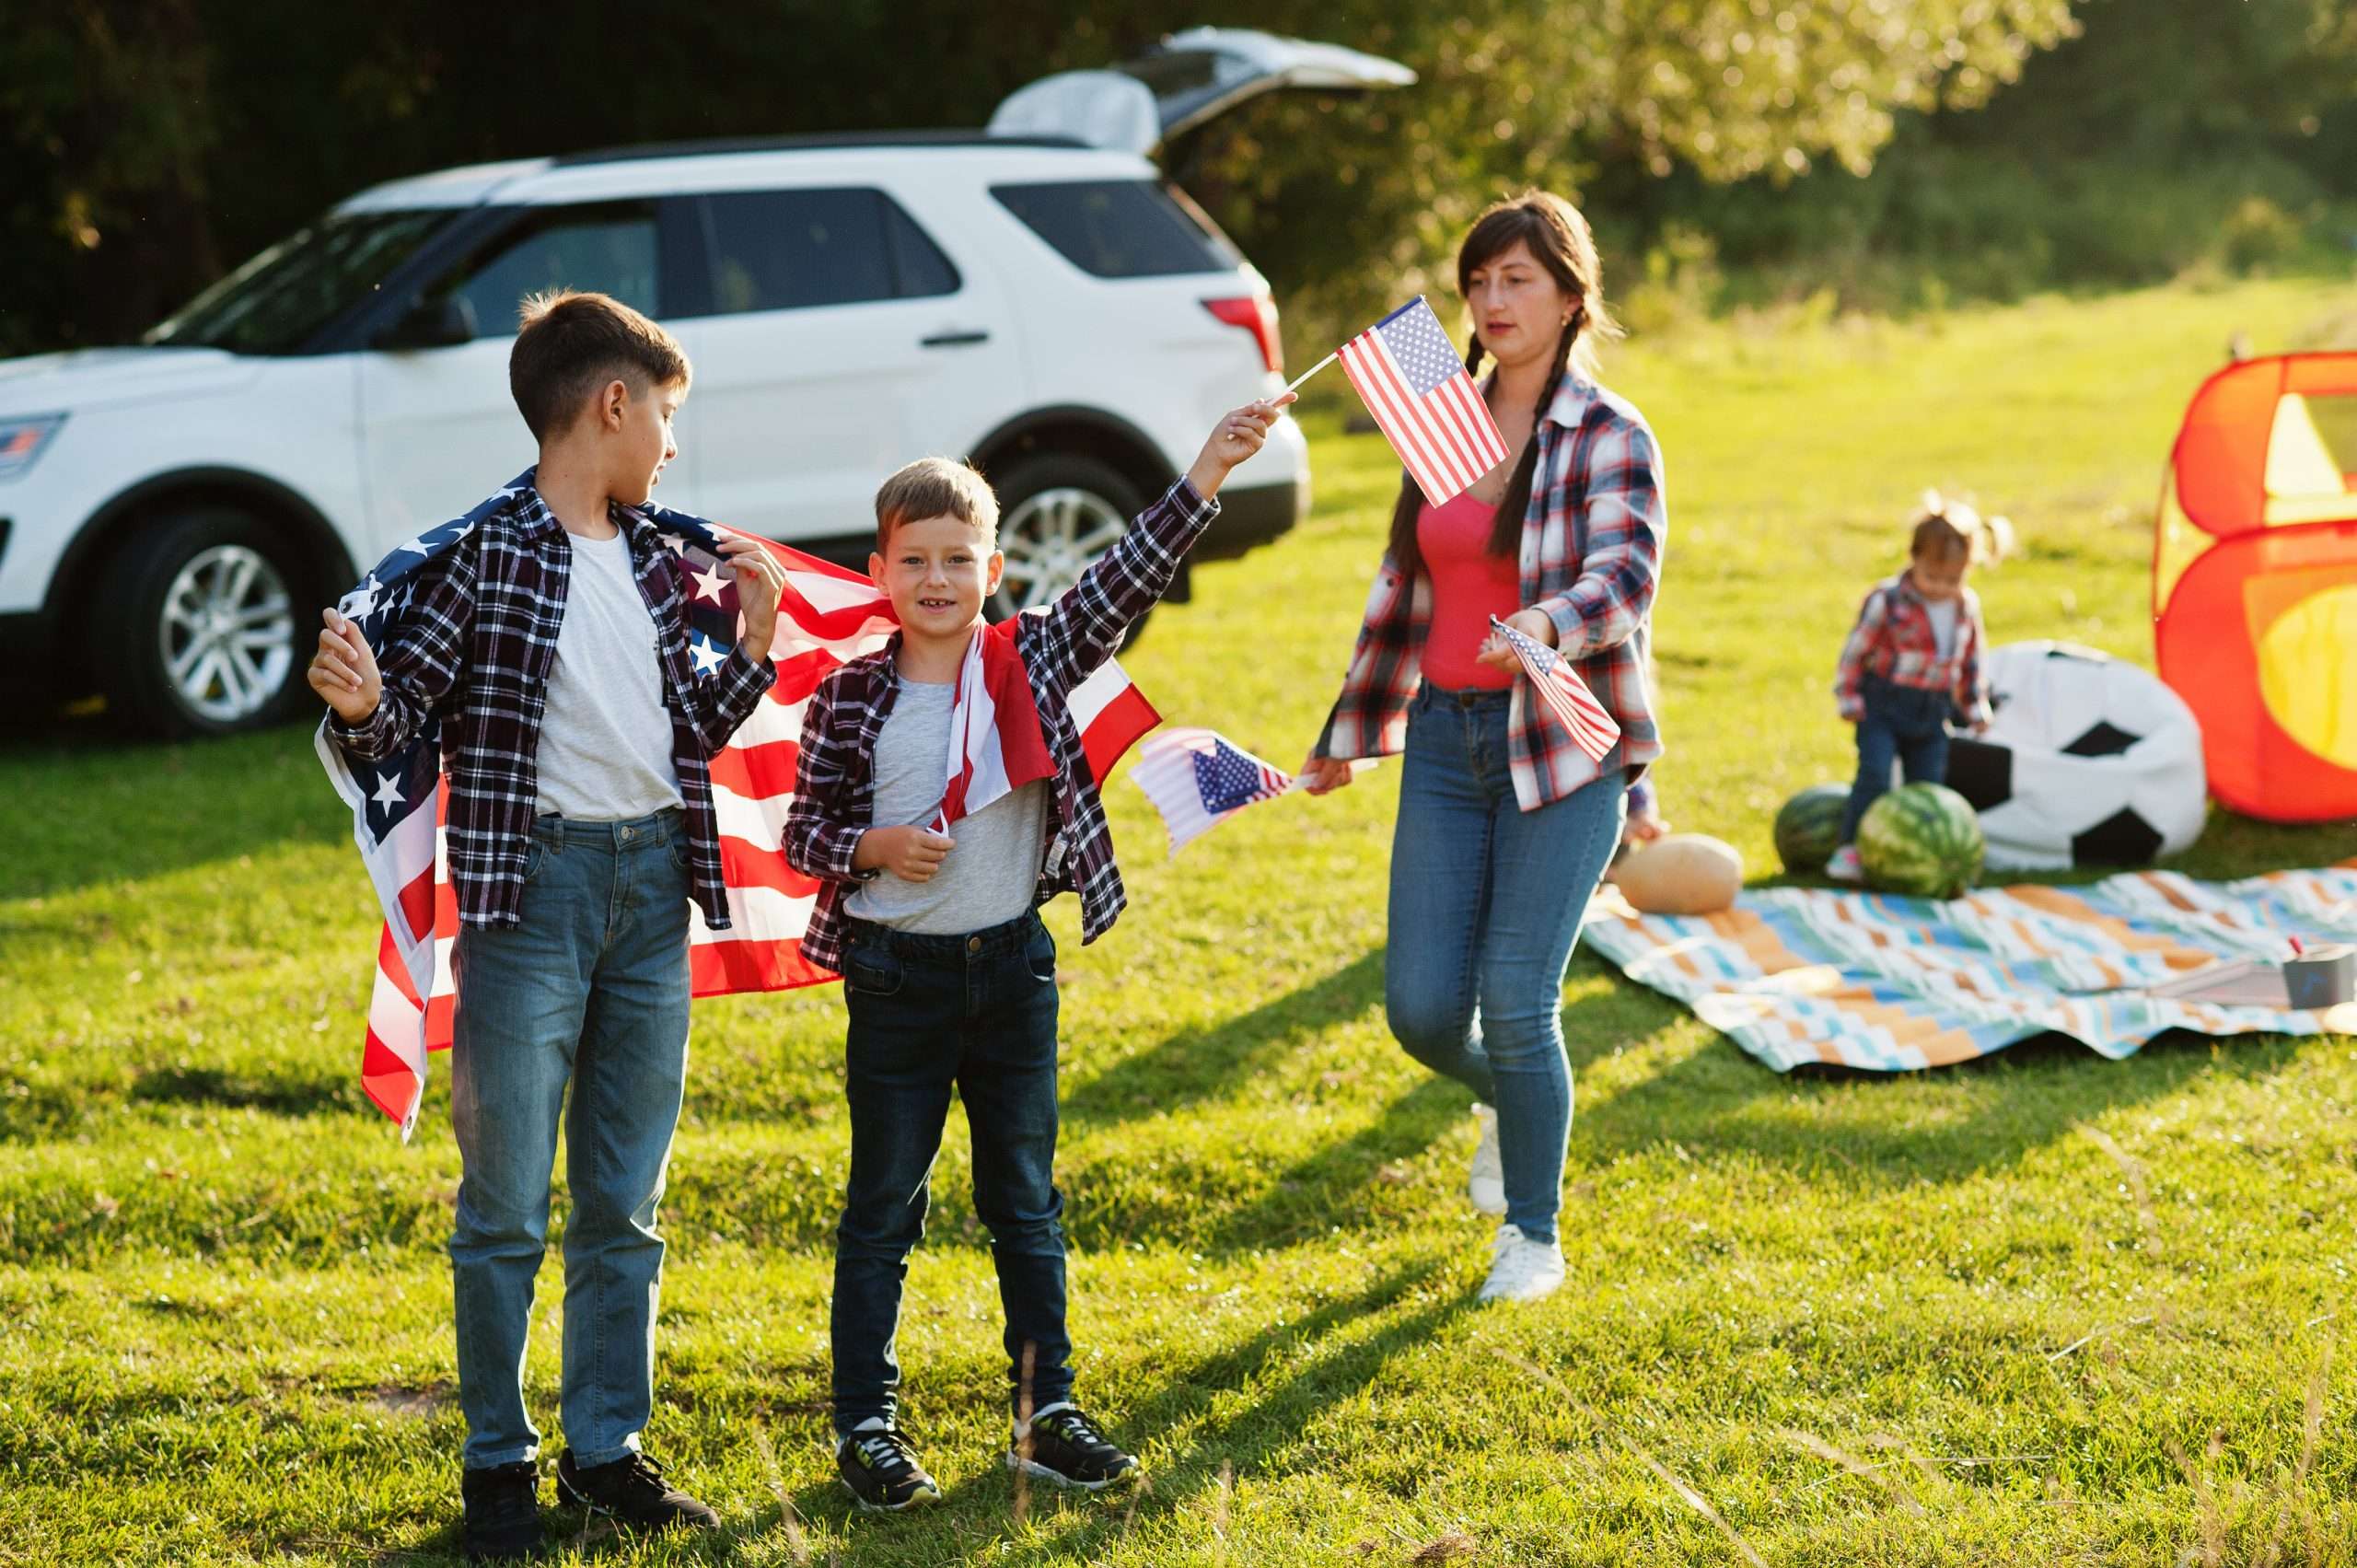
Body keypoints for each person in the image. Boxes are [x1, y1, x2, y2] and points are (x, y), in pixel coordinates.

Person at [308, 290, 787, 1562]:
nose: (673, 449)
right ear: (612, 403)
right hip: (532, 900)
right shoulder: (485, 554)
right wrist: (362, 706)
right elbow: (400, 723)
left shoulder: (656, 553)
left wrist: (752, 643)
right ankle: (497, 1463)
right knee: (508, 1203)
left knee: (623, 1203)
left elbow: (683, 730)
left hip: (651, 888)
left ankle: (607, 1450)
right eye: (665, 417)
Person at [783, 394, 1294, 1512]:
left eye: (958, 558)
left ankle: (1044, 1410)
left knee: (1024, 1199)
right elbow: (801, 834)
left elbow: (1125, 575)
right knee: (884, 1204)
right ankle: (866, 1426)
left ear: (995, 565)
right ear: (878, 569)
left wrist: (1208, 466)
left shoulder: (1030, 658)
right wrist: (870, 844)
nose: (936, 579)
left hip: (1011, 971)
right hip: (894, 980)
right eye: (913, 559)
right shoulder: (849, 697)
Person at [1300, 189, 1666, 1306]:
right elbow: (1405, 589)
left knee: (1517, 1001)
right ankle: (1516, 1100)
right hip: (1447, 740)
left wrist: (1554, 622)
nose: (1493, 299)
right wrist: (1344, 736)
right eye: (1478, 280)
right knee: (1419, 1010)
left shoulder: (1609, 432)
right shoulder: (1438, 416)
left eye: (1518, 279)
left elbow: (1626, 575)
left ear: (1569, 297)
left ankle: (1534, 1234)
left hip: (1561, 746)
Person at [1825, 493, 2005, 882]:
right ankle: (1851, 848)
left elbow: (1972, 661)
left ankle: (1923, 855)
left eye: (1952, 579)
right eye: (1931, 577)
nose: (1941, 587)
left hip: (1932, 709)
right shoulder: (1887, 600)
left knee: (1927, 785)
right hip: (1883, 706)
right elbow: (1856, 651)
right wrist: (1849, 696)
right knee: (1874, 774)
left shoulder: (1965, 607)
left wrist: (1975, 709)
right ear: (1914, 558)